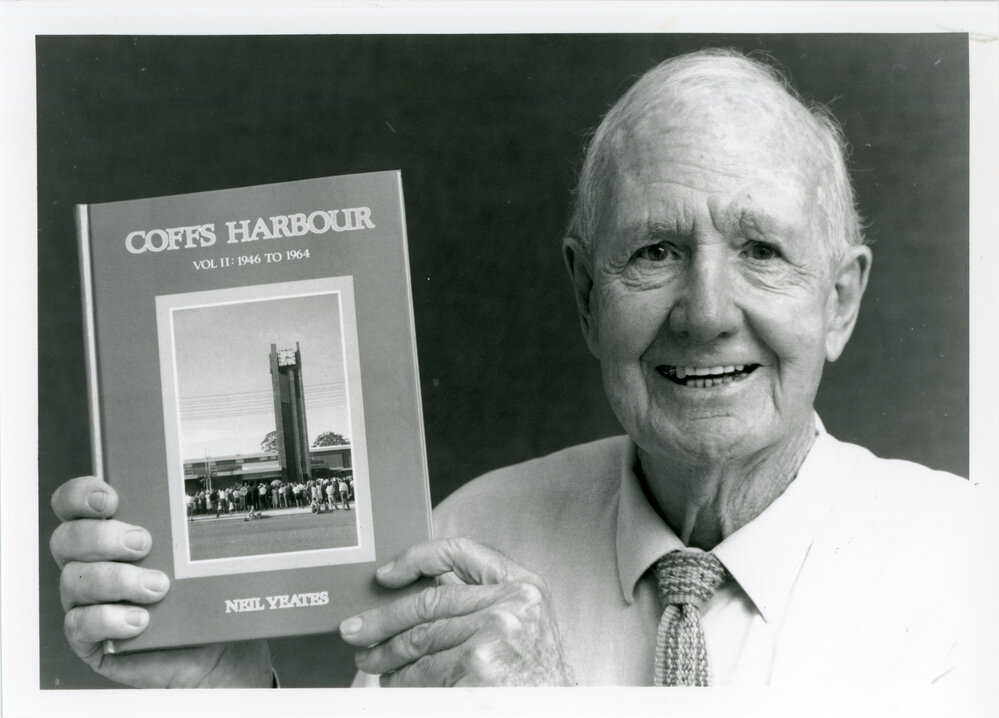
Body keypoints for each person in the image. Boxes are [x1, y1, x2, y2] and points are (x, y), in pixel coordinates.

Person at [48, 49, 974, 688]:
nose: (704, 312)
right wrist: (225, 693)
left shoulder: (970, 567)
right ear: (584, 294)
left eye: (761, 250)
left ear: (840, 301)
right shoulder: (469, 537)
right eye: (653, 251)